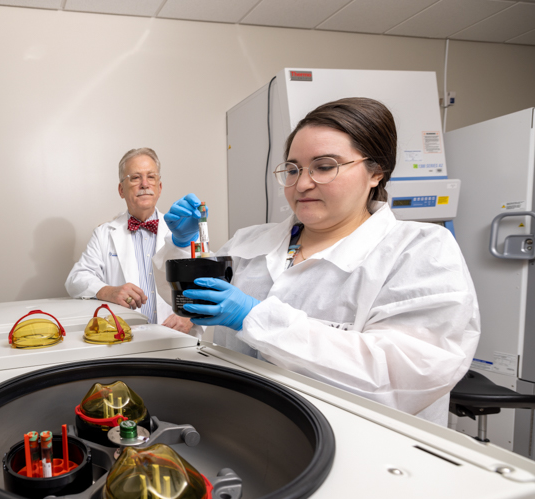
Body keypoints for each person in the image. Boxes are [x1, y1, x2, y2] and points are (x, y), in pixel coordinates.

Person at [155, 97, 479, 426]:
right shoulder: (250, 241)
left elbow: (407, 376)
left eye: (324, 166)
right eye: (293, 169)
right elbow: (190, 300)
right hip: (243, 424)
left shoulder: (420, 251)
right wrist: (182, 247)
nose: (303, 183)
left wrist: (257, 318)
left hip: (356, 444)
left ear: (376, 173)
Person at [65, 148, 193, 333]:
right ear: (121, 190)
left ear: (159, 188)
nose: (144, 184)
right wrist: (108, 291)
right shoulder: (104, 234)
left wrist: (191, 317)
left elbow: (206, 285)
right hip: (124, 340)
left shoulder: (183, 232)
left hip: (176, 338)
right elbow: (75, 280)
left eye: (151, 177)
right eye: (135, 178)